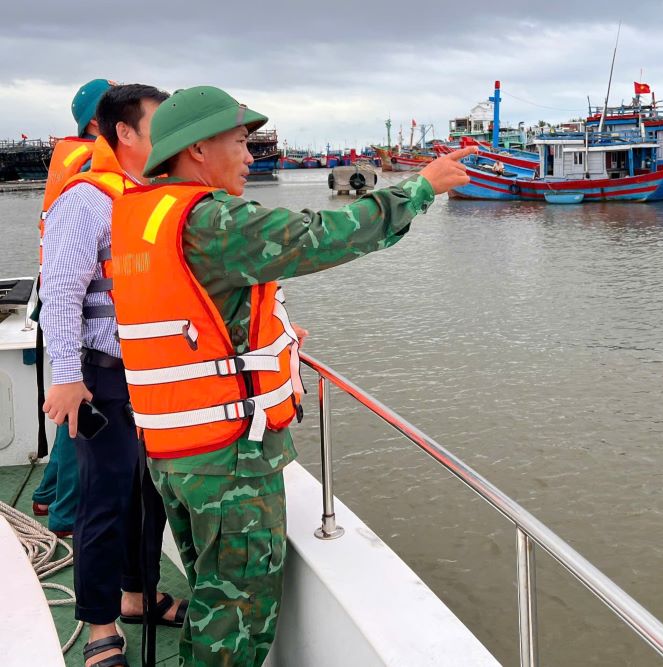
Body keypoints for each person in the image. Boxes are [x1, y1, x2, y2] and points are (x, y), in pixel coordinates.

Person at [109, 85, 475, 666]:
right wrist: (420, 188)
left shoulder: (144, 215)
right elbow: (322, 236)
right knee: (233, 623)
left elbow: (197, 315)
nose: (252, 156)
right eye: (240, 142)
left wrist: (271, 337)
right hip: (228, 464)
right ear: (199, 150)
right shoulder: (213, 222)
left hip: (174, 453)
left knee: (211, 596)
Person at [40, 83, 188, 667]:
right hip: (101, 377)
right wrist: (66, 375)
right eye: (161, 123)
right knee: (103, 503)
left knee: (147, 499)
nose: (171, 135)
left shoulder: (150, 195)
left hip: (153, 378)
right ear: (124, 133)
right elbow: (61, 294)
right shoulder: (87, 199)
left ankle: (137, 595)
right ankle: (101, 625)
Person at [31, 78, 115, 537]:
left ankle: (46, 496)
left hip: (64, 293)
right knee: (76, 413)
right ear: (100, 123)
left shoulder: (74, 158)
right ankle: (64, 514)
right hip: (78, 306)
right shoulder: (92, 165)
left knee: (73, 412)